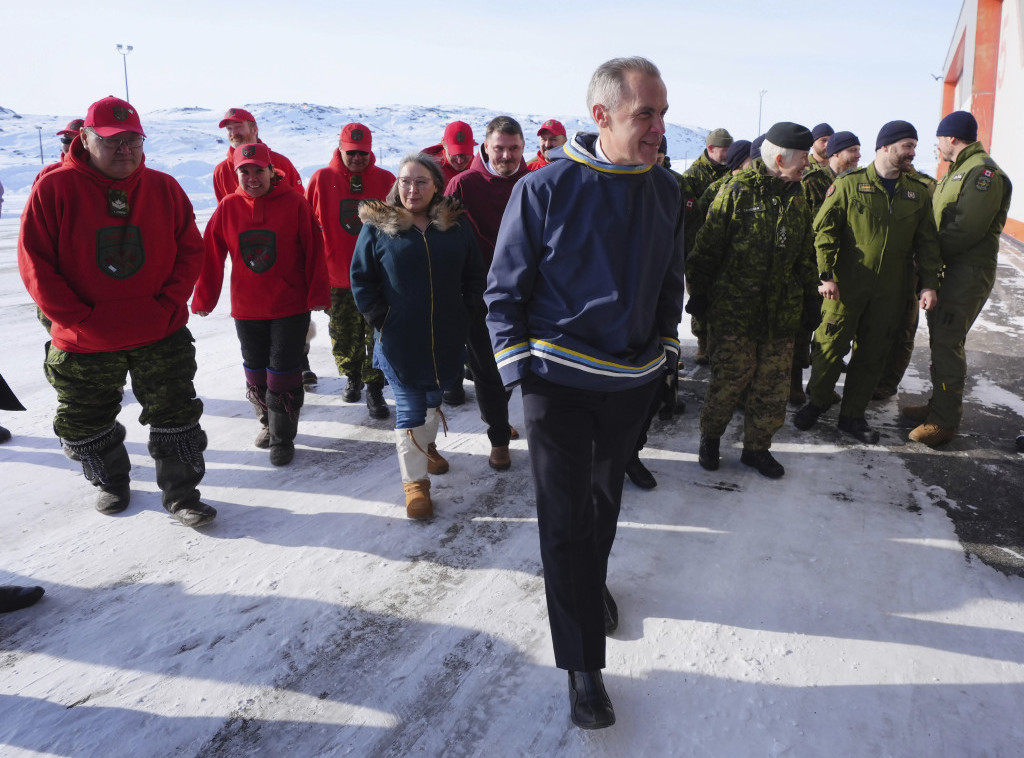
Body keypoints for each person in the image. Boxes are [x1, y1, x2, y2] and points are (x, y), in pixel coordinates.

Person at [486, 56, 685, 730]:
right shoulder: (543, 189)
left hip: (630, 385)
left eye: (662, 113)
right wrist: (519, 379)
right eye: (645, 114)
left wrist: (665, 351)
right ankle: (583, 667)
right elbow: (503, 293)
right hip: (557, 383)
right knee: (566, 519)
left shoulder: (667, 190)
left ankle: (588, 583)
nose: (659, 127)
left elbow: (670, 283)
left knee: (603, 503)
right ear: (601, 115)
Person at [18, 96, 215, 527]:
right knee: (82, 422)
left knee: (177, 416)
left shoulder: (164, 188)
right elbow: (36, 265)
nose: (125, 150)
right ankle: (111, 480)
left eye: (133, 140)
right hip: (84, 340)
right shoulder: (53, 189)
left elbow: (189, 250)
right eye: (112, 141)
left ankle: (182, 495)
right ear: (85, 139)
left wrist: (168, 304)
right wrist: (79, 319)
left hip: (159, 332)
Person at [351, 154, 485, 519]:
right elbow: (361, 279)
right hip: (399, 339)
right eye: (405, 181)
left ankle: (426, 448)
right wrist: (382, 319)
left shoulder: (455, 226)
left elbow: (475, 273)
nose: (412, 189)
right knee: (411, 406)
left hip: (445, 336)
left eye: (421, 182)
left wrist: (464, 312)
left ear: (436, 186)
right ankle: (415, 485)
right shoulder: (379, 228)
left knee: (432, 398)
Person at [794, 120, 943, 444]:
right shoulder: (849, 185)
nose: (912, 153)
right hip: (846, 287)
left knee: (873, 355)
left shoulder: (917, 193)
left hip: (891, 290)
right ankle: (817, 401)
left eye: (914, 146)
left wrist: (929, 283)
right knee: (829, 347)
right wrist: (825, 274)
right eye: (907, 146)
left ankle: (852, 415)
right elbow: (824, 232)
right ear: (885, 147)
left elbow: (927, 242)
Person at [686, 122, 818, 478]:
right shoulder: (736, 191)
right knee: (729, 382)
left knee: (772, 387)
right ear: (780, 159)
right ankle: (711, 438)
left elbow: (805, 253)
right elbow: (706, 249)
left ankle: (757, 448)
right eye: (803, 157)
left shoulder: (797, 195)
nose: (808, 163)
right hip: (735, 312)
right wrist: (699, 293)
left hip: (780, 314)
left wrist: (811, 296)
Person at [193, 143, 330, 465]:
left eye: (259, 170)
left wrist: (318, 295)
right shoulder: (228, 207)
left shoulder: (295, 204)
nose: (252, 177)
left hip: (290, 305)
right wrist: (204, 298)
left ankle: (283, 437)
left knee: (283, 372)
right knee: (254, 370)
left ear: (271, 171)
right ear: (236, 174)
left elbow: (314, 251)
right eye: (245, 171)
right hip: (247, 307)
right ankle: (268, 423)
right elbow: (210, 255)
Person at [901, 111, 1012, 445]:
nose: (936, 146)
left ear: (951, 137)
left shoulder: (983, 173)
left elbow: (965, 229)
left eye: (938, 139)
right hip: (949, 271)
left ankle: (944, 422)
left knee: (948, 343)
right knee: (940, 340)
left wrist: (928, 259)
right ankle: (939, 405)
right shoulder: (958, 169)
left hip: (965, 273)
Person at [446, 115, 530, 470]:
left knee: (528, 367)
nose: (506, 156)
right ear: (485, 147)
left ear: (523, 148)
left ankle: (525, 425)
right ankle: (498, 437)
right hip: (480, 297)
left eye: (514, 148)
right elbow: (444, 240)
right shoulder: (463, 185)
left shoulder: (535, 180)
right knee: (488, 370)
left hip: (529, 295)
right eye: (500, 148)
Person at [306, 123, 396, 419]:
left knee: (378, 335)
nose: (357, 158)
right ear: (340, 149)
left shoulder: (386, 180)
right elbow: (308, 228)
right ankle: (352, 376)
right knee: (344, 334)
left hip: (377, 278)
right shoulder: (321, 179)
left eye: (362, 153)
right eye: (351, 152)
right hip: (337, 277)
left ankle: (374, 387)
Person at [213, 108, 303, 201]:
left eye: (238, 127)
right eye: (229, 128)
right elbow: (223, 208)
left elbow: (300, 201)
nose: (233, 133)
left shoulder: (281, 162)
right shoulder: (221, 170)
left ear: (254, 129)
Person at [421, 120, 477, 185]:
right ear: (443, 143)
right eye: (454, 153)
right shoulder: (431, 171)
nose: (460, 161)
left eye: (465, 153)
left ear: (472, 145)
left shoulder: (478, 166)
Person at [34, 119, 85, 184]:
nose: (71, 146)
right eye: (66, 140)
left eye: (78, 141)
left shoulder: (96, 174)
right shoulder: (47, 172)